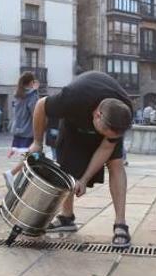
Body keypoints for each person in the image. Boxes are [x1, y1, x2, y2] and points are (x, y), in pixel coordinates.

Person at [28, 71, 134, 248]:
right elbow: (40, 106)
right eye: (104, 133)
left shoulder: (122, 112)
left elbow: (107, 146)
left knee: (116, 164)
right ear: (97, 115)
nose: (105, 137)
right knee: (66, 165)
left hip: (110, 119)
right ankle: (66, 217)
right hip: (74, 123)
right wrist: (37, 142)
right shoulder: (71, 98)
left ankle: (120, 224)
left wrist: (84, 179)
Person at [3, 72, 39, 187]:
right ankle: (12, 173)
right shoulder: (32, 95)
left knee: (31, 156)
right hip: (28, 131)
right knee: (30, 156)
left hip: (19, 130)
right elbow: (35, 113)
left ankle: (25, 180)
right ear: (31, 82)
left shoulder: (19, 94)